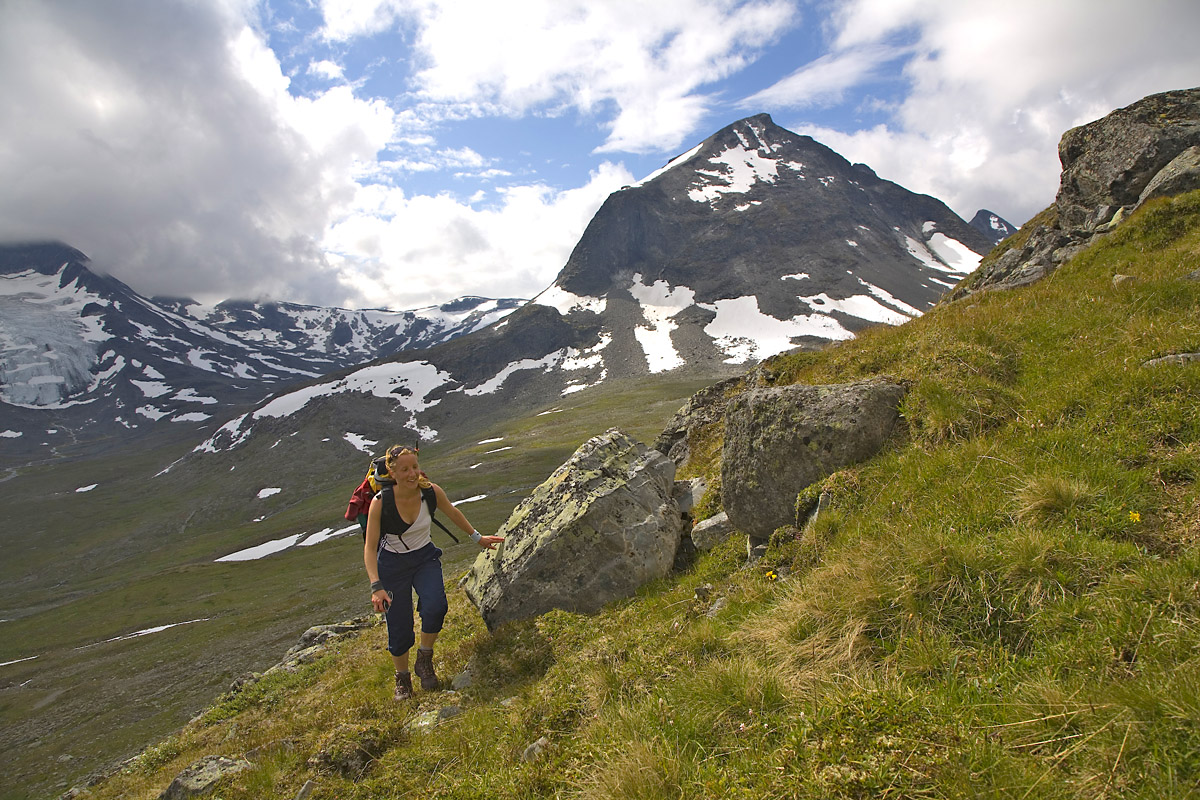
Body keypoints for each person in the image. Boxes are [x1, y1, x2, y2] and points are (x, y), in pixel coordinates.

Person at [364, 444, 503, 701]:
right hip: (392, 565)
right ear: (392, 473)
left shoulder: (430, 492)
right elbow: (370, 548)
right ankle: (402, 679)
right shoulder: (380, 503)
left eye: (415, 467)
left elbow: (453, 512)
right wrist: (376, 586)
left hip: (425, 558)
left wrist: (478, 537)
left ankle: (424, 659)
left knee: (436, 606)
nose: (412, 474)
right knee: (400, 625)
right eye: (404, 469)